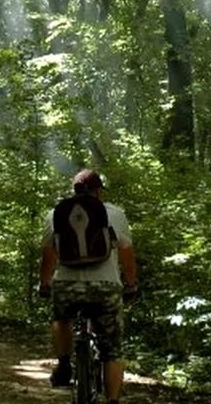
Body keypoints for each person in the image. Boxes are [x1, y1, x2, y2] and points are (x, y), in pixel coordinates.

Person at [38, 169, 138, 404]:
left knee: (61, 318)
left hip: (66, 285)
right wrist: (131, 284)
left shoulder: (55, 214)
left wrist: (44, 283)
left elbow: (48, 255)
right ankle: (112, 400)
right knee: (112, 350)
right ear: (99, 191)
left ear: (74, 190)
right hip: (106, 287)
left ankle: (64, 363)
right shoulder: (115, 214)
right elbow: (127, 255)